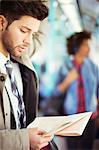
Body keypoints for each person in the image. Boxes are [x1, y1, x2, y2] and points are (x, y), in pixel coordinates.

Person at [0, 0, 54, 150]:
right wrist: (24, 139)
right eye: (24, 31)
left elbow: (41, 35)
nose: (29, 41)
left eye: (33, 34)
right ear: (1, 23)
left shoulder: (20, 59)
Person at [52, 31, 99, 150]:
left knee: (88, 147)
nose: (88, 48)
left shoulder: (93, 67)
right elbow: (55, 92)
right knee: (72, 147)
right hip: (72, 117)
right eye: (85, 45)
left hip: (91, 116)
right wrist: (67, 81)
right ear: (77, 47)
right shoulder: (65, 67)